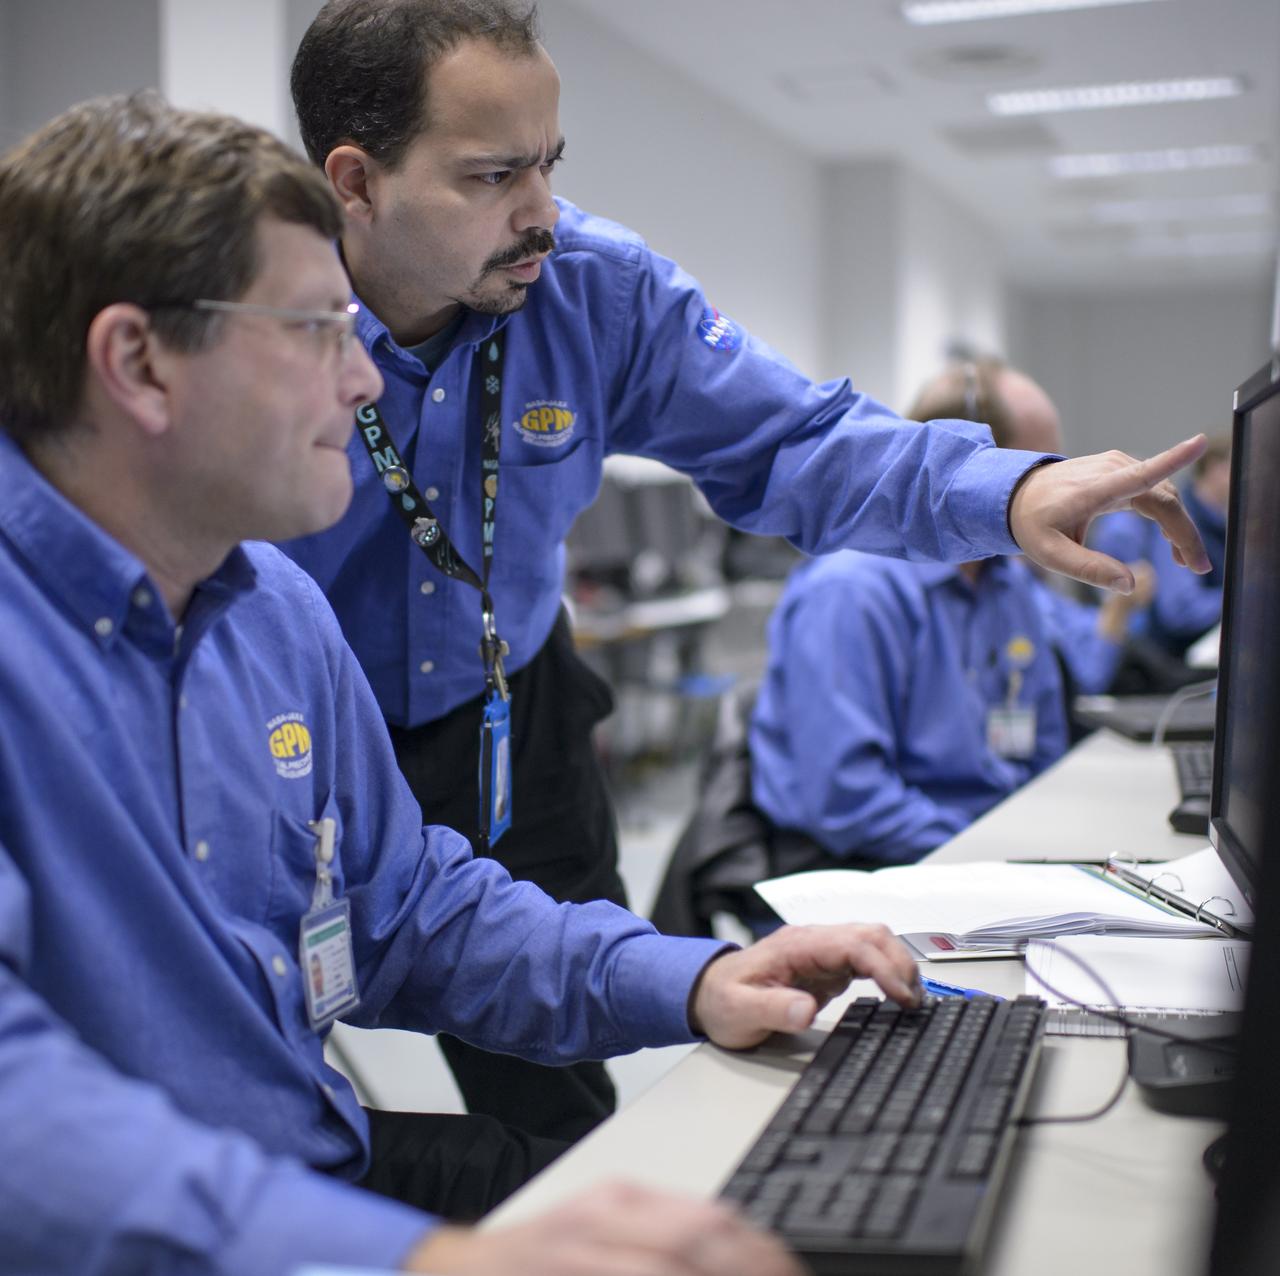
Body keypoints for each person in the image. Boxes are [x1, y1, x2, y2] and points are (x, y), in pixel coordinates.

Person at [0, 91, 928, 1276]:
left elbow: (407, 911)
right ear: (137, 360)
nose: (362, 384)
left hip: (297, 1163)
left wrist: (690, 974)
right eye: (315, 332)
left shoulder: (271, 611)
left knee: (711, 1222)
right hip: (128, 1225)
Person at [283, 0, 1209, 1141]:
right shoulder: (257, 322)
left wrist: (1007, 491)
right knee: (278, 1073)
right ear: (355, 182)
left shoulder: (593, 288)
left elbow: (792, 441)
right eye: (491, 176)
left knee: (558, 1106)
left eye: (550, 164)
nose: (540, 213)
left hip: (510, 716)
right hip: (298, 743)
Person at [749, 360, 1150, 868]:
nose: (1061, 493)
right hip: (879, 869)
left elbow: (1044, 743)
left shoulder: (1008, 583)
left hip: (989, 851)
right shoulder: (852, 590)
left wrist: (1047, 845)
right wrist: (999, 854)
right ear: (975, 469)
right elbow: (848, 802)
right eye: (1039, 471)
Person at [1090, 433, 1231, 660]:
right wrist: (1242, 598)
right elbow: (1180, 612)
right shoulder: (1179, 521)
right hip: (1172, 659)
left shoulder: (1219, 524)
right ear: (1215, 468)